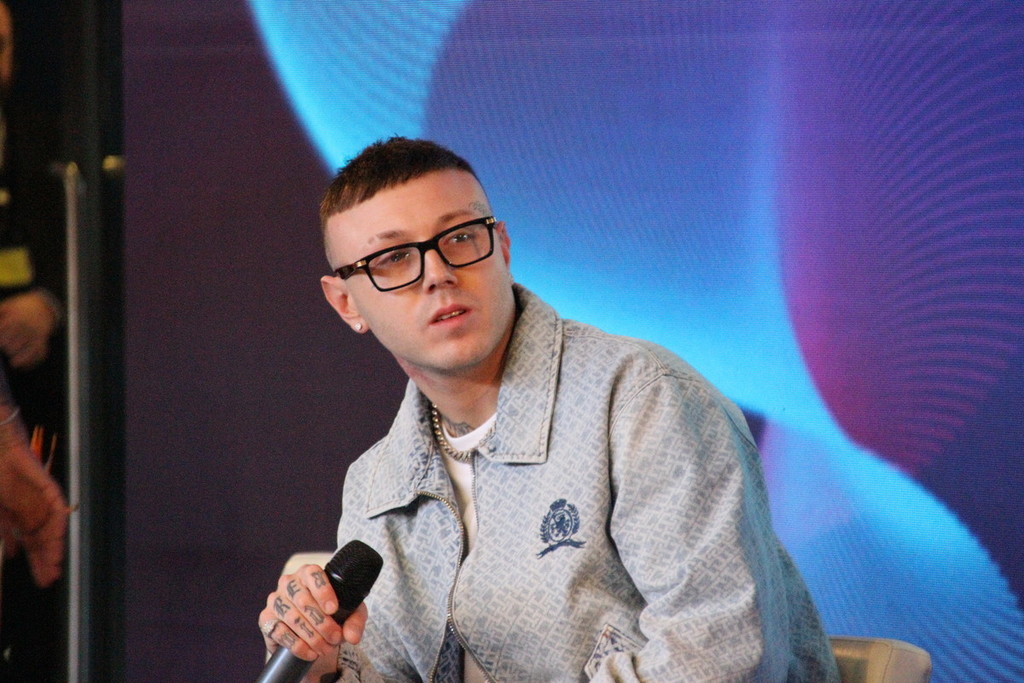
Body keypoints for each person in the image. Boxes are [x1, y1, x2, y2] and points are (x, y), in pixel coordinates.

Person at [259, 137, 839, 681]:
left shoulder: (642, 403)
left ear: (502, 248)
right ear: (346, 303)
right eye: (392, 258)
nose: (438, 273)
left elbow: (718, 655)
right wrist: (326, 669)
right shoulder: (374, 484)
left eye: (460, 237)